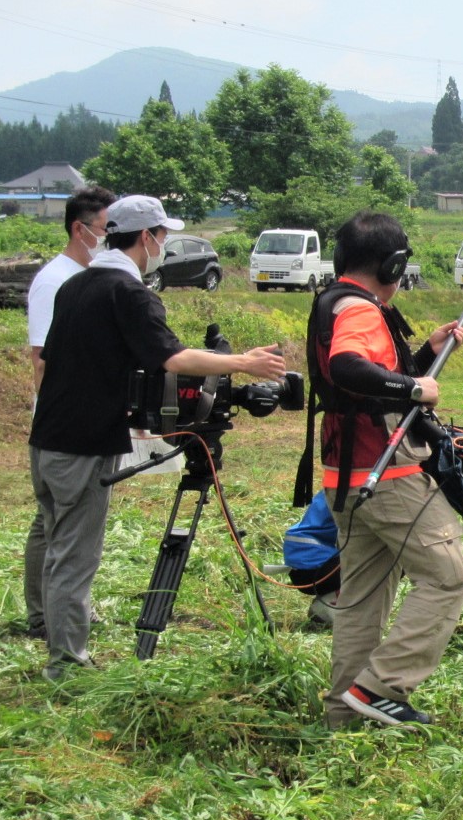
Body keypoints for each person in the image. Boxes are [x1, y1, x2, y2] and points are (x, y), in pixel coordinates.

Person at [29, 195, 286, 679]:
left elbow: (89, 365)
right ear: (146, 237)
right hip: (81, 445)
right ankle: (66, 664)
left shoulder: (76, 286)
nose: (164, 246)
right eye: (163, 236)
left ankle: (57, 641)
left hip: (47, 437)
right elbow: (172, 358)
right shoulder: (129, 293)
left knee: (58, 545)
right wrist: (243, 363)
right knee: (74, 556)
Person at [308, 210, 463, 729]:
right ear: (393, 263)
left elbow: (366, 378)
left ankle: (345, 716)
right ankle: (380, 687)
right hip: (388, 473)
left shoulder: (333, 302)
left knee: (360, 599)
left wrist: (425, 354)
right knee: (447, 578)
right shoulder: (361, 309)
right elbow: (347, 367)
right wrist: (414, 388)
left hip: (344, 474)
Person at [20, 185, 115, 640]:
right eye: (105, 229)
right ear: (81, 230)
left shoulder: (85, 278)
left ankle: (51, 613)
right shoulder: (56, 281)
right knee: (60, 528)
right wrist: (59, 419)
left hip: (67, 423)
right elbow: (40, 358)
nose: (111, 239)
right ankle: (47, 618)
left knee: (55, 523)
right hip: (62, 427)